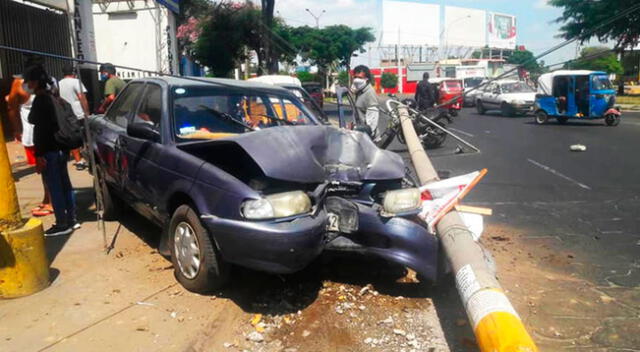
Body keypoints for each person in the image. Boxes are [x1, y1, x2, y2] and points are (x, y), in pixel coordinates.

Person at [25, 64, 78, 236]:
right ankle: (72, 219)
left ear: (34, 82)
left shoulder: (41, 100)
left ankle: (62, 223)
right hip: (62, 148)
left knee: (55, 187)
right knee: (66, 185)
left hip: (50, 150)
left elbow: (40, 129)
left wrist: (39, 155)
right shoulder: (56, 98)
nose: (27, 85)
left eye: (29, 82)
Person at [5, 70, 54, 217]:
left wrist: (16, 130)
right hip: (50, 133)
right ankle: (48, 199)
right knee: (51, 169)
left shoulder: (19, 84)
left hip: (34, 136)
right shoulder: (51, 82)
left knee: (45, 170)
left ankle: (51, 203)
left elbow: (11, 108)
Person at [58, 62, 90, 170]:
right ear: (74, 73)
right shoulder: (76, 82)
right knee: (85, 136)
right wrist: (87, 112)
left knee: (72, 137)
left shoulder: (59, 83)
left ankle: (78, 160)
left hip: (66, 114)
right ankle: (86, 159)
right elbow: (82, 97)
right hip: (78, 114)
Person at [352, 65, 380, 139]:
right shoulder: (360, 91)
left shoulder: (369, 93)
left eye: (360, 78)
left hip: (368, 139)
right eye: (355, 77)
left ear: (366, 79)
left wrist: (367, 134)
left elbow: (372, 123)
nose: (356, 80)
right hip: (359, 135)